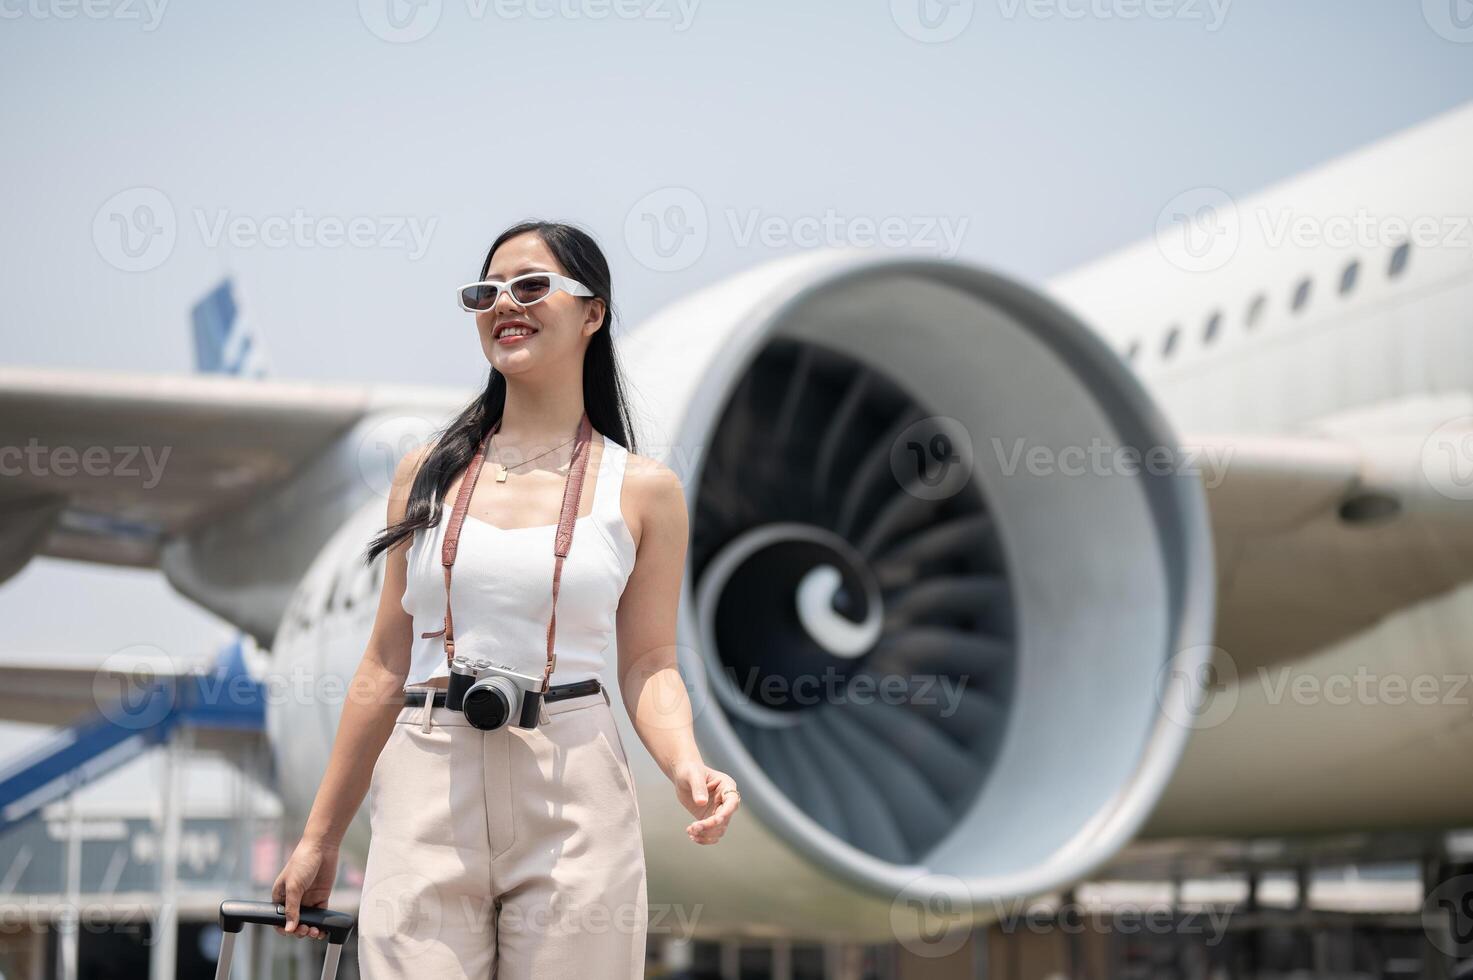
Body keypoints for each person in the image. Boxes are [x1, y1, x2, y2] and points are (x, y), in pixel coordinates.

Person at [269, 219, 740, 977]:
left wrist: (687, 764)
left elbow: (650, 662)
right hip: (427, 774)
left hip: (575, 785)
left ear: (593, 312)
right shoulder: (423, 474)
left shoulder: (646, 490)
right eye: (485, 292)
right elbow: (385, 662)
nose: (503, 305)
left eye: (530, 287)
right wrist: (320, 837)